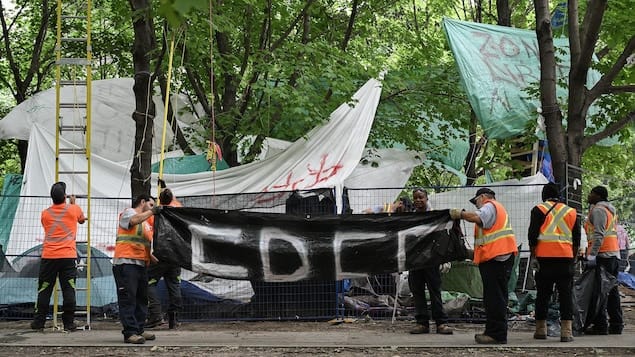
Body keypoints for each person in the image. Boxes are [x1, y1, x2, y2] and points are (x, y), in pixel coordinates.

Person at [450, 187, 518, 344]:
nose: (476, 205)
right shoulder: (497, 209)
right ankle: (493, 332)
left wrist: (459, 213)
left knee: (495, 298)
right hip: (498, 258)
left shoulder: (489, 205)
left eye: (476, 202)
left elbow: (477, 217)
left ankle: (496, 334)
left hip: (497, 259)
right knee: (495, 297)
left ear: (482, 197)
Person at [527, 183, 580, 342]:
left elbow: (532, 236)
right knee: (565, 295)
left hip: (544, 259)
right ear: (559, 195)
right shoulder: (571, 211)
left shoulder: (538, 209)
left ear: (544, 195)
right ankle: (566, 332)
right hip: (565, 258)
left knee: (543, 295)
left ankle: (541, 330)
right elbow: (576, 239)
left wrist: (534, 256)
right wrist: (573, 258)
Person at [31, 182, 87, 332]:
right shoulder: (73, 209)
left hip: (49, 256)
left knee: (44, 289)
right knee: (69, 289)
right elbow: (81, 220)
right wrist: (73, 203)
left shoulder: (45, 213)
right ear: (64, 196)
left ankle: (39, 322)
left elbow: (47, 224)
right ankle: (69, 322)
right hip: (68, 256)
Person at [113, 194, 161, 344]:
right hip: (126, 263)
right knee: (128, 299)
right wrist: (152, 212)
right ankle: (130, 333)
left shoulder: (147, 223)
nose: (153, 208)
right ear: (143, 202)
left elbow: (144, 245)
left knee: (141, 299)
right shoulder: (129, 213)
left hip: (140, 264)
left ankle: (139, 329)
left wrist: (155, 259)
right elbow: (133, 221)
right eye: (151, 205)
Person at [408, 188, 453, 335]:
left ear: (427, 198)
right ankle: (422, 323)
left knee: (435, 291)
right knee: (417, 291)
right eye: (415, 198)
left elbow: (442, 236)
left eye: (421, 197)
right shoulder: (410, 218)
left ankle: (441, 323)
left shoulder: (435, 216)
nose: (418, 200)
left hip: (432, 260)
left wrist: (443, 258)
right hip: (415, 260)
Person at [584, 186, 623, 335]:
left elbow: (599, 235)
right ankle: (616, 324)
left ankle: (601, 326)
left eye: (591, 193)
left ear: (598, 196)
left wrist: (592, 255)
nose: (589, 196)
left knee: (599, 292)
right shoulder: (610, 211)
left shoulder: (599, 211)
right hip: (612, 254)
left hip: (602, 255)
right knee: (612, 291)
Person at [146, 181, 183, 329]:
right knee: (174, 284)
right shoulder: (179, 211)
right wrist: (165, 188)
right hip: (176, 255)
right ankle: (174, 317)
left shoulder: (156, 212)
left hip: (161, 254)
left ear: (159, 200)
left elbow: (148, 228)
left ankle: (155, 314)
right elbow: (170, 200)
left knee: (148, 281)